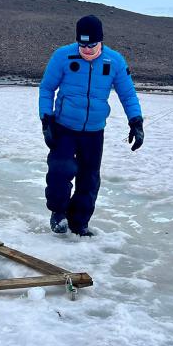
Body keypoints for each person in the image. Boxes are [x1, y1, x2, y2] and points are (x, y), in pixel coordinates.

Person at [38, 15, 143, 236]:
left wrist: (136, 121)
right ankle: (58, 213)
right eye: (82, 45)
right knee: (60, 171)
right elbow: (47, 88)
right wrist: (46, 120)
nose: (86, 49)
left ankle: (79, 223)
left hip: (94, 132)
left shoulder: (114, 61)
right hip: (64, 127)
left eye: (91, 44)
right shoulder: (62, 56)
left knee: (89, 179)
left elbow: (128, 94)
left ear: (100, 40)